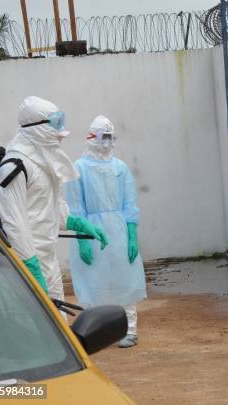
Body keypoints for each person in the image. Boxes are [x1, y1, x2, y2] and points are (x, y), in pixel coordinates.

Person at [0, 96, 108, 301]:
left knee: (58, 326)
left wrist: (76, 222)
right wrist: (30, 267)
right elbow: (14, 223)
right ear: (37, 128)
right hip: (26, 263)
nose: (61, 133)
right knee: (33, 327)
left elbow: (50, 206)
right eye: (55, 124)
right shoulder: (15, 166)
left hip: (48, 259)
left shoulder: (44, 163)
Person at [66, 115, 147, 348]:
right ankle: (92, 332)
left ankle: (129, 329)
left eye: (111, 137)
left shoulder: (120, 168)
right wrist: (82, 239)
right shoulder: (78, 168)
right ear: (92, 137)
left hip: (119, 229)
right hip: (90, 229)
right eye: (104, 136)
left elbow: (130, 203)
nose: (108, 142)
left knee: (125, 277)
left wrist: (132, 236)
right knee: (92, 280)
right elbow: (75, 206)